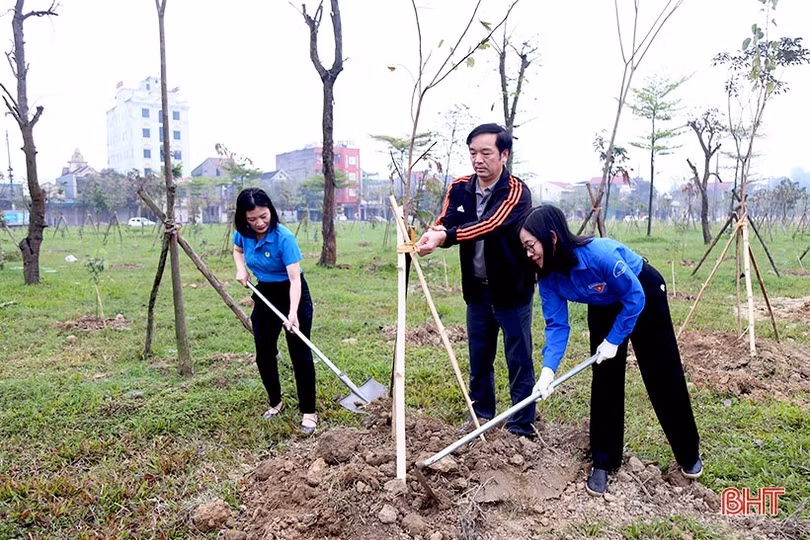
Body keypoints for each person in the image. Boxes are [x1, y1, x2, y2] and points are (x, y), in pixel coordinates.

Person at [519, 205, 702, 496]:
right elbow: (556, 325)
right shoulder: (549, 276)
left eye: (531, 246)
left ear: (552, 238)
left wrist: (615, 339)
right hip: (603, 302)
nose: (528, 254)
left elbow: (634, 297)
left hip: (642, 291)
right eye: (525, 248)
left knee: (661, 372)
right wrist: (548, 371)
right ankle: (604, 461)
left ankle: (688, 453)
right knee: (605, 378)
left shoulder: (600, 255)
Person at [415, 123, 537, 438]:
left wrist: (446, 236)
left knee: (518, 357)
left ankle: (522, 423)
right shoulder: (460, 187)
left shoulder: (516, 192)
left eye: (486, 153)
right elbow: (446, 221)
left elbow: (490, 225)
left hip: (512, 289)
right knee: (479, 357)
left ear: (504, 154)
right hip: (477, 290)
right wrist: (434, 235)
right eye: (472, 153)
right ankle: (481, 414)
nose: (478, 160)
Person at [232, 188, 317, 435]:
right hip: (265, 293)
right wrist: (241, 269)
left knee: (299, 352)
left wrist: (293, 313)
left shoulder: (284, 238)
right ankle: (275, 402)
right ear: (243, 218)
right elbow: (237, 250)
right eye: (252, 219)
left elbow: (295, 280)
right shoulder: (244, 233)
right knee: (264, 351)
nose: (259, 223)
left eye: (263, 216)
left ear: (271, 210)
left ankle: (309, 411)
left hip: (292, 293)